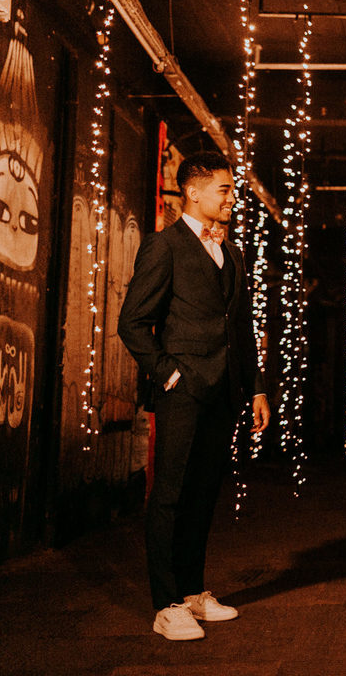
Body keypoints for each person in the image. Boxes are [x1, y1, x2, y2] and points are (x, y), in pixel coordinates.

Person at [118, 151, 271, 640]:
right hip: (182, 390)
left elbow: (239, 328)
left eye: (231, 190)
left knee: (203, 495)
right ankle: (166, 605)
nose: (231, 198)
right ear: (194, 192)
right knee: (170, 496)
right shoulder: (164, 246)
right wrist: (169, 375)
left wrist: (258, 388)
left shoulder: (233, 252)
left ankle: (192, 593)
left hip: (224, 391)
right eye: (224, 190)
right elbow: (132, 324)